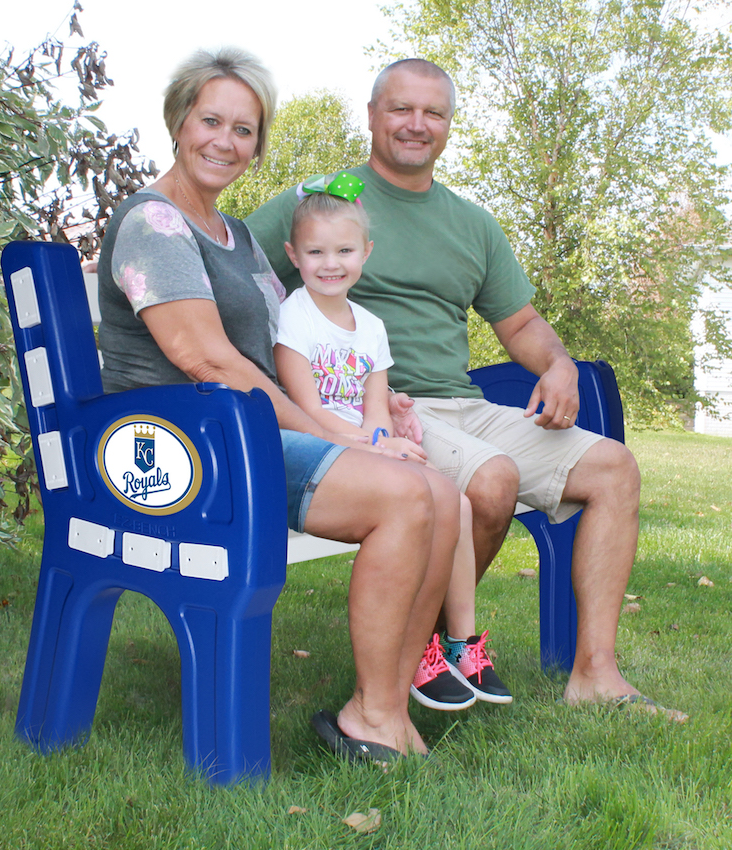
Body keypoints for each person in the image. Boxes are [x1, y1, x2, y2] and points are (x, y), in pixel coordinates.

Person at [247, 58, 687, 721]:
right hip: (381, 408)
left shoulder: (471, 223)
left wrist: (558, 363)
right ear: (372, 116)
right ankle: (428, 651)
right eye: (401, 109)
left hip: (468, 403)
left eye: (434, 113)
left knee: (613, 469)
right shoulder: (323, 204)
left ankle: (595, 673)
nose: (416, 124)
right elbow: (232, 270)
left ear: (449, 126)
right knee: (491, 481)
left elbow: (521, 323)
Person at [96, 46, 468, 761]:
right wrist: (346, 440)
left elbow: (286, 349)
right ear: (179, 121)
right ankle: (379, 715)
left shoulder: (234, 236)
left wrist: (377, 408)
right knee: (402, 496)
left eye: (244, 129)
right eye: (212, 120)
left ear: (258, 144)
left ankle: (381, 705)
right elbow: (206, 358)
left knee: (441, 493)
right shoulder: (154, 222)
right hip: (185, 446)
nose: (225, 141)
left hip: (246, 430)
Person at [273, 174, 511, 708]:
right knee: (420, 497)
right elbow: (307, 408)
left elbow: (375, 403)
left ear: (366, 252)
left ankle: (460, 644)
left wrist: (385, 439)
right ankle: (414, 652)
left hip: (367, 445)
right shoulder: (294, 316)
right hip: (324, 447)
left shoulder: (372, 327)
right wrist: (376, 447)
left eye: (344, 250)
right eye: (315, 251)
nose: (330, 263)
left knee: (458, 501)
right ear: (293, 254)